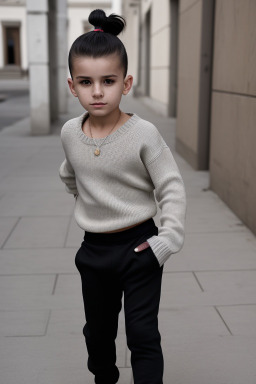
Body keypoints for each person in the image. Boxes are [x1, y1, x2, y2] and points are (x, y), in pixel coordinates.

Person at [59, 9, 186, 384]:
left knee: (143, 335)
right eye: (86, 82)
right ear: (72, 86)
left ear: (126, 83)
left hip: (140, 249)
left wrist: (168, 240)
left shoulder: (144, 133)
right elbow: (70, 173)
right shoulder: (70, 132)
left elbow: (172, 185)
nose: (97, 92)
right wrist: (91, 202)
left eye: (108, 81)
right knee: (97, 336)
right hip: (94, 251)